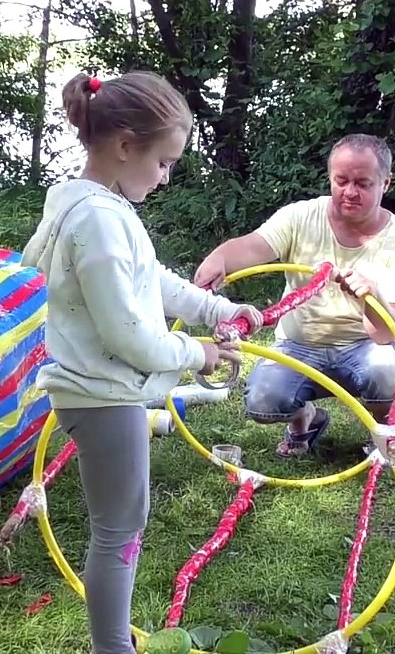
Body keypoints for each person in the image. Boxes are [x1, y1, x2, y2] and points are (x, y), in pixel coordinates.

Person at [21, 70, 263, 654]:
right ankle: (113, 647)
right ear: (125, 145)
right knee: (118, 527)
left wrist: (216, 307)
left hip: (104, 389)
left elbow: (149, 279)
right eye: (163, 162)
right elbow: (127, 334)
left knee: (122, 520)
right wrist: (195, 352)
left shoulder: (89, 203)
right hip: (102, 393)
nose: (166, 176)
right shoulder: (98, 221)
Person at [193, 133, 395, 458]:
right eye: (341, 180)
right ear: (330, 177)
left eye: (363, 183)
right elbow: (252, 246)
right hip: (297, 346)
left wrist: (372, 297)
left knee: (386, 374)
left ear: (386, 183)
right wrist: (220, 257)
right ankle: (305, 423)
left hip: (366, 346)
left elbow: (389, 332)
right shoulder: (301, 216)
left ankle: (382, 435)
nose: (350, 192)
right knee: (263, 400)